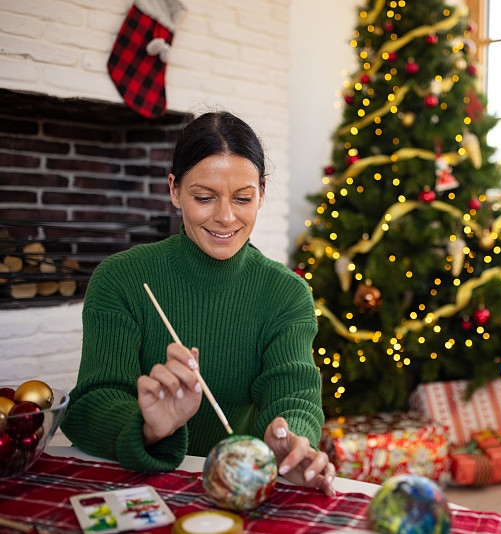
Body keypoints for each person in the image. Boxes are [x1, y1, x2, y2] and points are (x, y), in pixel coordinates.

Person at [62, 111, 335, 497]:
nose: (225, 218)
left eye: (243, 198)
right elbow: (90, 405)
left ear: (261, 192)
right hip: (138, 486)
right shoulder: (120, 278)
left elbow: (293, 395)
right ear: (174, 190)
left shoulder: (286, 292)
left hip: (236, 486)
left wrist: (288, 439)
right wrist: (147, 425)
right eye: (204, 198)